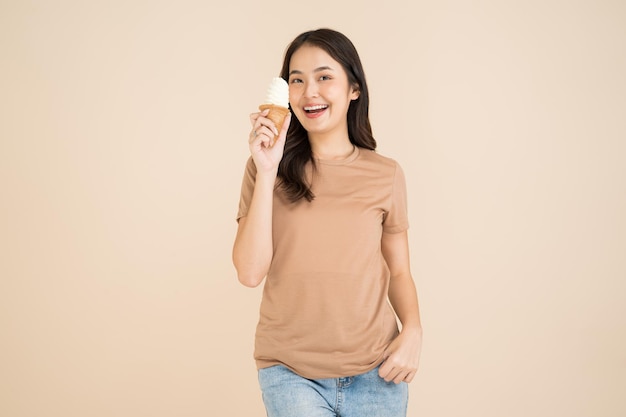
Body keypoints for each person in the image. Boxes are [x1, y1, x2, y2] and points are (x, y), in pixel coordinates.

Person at [232, 28, 422, 417]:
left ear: (353, 88)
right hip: (289, 371)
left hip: (378, 373)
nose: (308, 92)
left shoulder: (385, 174)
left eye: (324, 77)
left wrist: (414, 331)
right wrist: (267, 171)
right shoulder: (264, 170)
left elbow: (399, 271)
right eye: (296, 80)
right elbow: (250, 274)